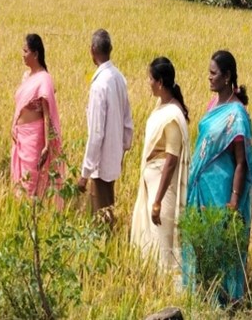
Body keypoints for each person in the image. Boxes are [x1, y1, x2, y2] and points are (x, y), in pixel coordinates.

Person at [184, 50, 252, 304]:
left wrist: (235, 199)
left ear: (227, 77)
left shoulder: (237, 115)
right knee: (202, 243)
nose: (209, 78)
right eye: (209, 72)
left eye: (213, 73)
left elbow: (241, 162)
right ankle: (203, 296)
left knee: (220, 244)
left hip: (222, 191)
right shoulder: (213, 106)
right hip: (202, 188)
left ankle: (223, 302)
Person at [131, 57, 190, 276]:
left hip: (164, 191)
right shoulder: (162, 107)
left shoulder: (172, 116)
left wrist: (157, 201)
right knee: (151, 241)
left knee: (163, 244)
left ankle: (166, 292)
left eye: (151, 78)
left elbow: (172, 160)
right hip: (152, 184)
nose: (148, 82)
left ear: (160, 82)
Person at [77, 29, 133, 225]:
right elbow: (128, 121)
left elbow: (96, 133)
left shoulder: (99, 84)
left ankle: (105, 246)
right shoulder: (119, 78)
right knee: (109, 206)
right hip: (113, 158)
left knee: (100, 216)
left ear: (92, 50)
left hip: (100, 164)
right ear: (110, 49)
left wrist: (85, 173)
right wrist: (122, 150)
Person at [11, 34, 63, 199]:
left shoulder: (44, 80)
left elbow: (47, 116)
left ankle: (32, 216)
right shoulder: (27, 77)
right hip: (21, 135)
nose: (23, 54)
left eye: (26, 51)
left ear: (35, 54)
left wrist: (47, 146)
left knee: (31, 180)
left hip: (34, 137)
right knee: (19, 179)